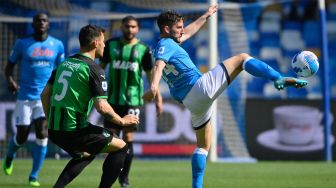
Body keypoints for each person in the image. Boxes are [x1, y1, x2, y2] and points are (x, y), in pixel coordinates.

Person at [143, 5, 308, 188]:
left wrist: (205, 16)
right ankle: (277, 78)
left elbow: (188, 33)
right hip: (199, 88)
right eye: (178, 27)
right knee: (242, 58)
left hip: (190, 101)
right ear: (166, 29)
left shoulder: (165, 44)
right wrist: (153, 86)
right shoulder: (166, 45)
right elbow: (159, 65)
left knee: (203, 147)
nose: (182, 30)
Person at [41, 24, 140, 188]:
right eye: (103, 42)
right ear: (95, 43)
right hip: (76, 131)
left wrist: (50, 119)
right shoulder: (94, 69)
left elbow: (44, 94)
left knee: (86, 153)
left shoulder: (65, 63)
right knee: (122, 147)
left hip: (55, 131)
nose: (105, 45)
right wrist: (122, 121)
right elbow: (102, 107)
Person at [3, 12, 65, 187]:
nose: (41, 23)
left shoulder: (57, 45)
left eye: (44, 20)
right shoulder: (23, 44)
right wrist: (10, 81)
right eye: (38, 20)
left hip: (44, 96)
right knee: (22, 136)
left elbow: (61, 70)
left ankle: (33, 176)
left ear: (49, 24)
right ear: (33, 24)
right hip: (25, 97)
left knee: (42, 132)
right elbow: (8, 68)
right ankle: (10, 155)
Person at [100, 15, 163, 188]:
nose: (130, 29)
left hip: (133, 101)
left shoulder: (143, 49)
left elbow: (152, 78)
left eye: (133, 27)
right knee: (111, 141)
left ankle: (124, 178)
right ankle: (110, 176)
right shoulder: (111, 45)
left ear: (138, 29)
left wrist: (158, 99)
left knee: (128, 138)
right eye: (127, 26)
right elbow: (98, 70)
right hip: (112, 101)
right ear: (121, 27)